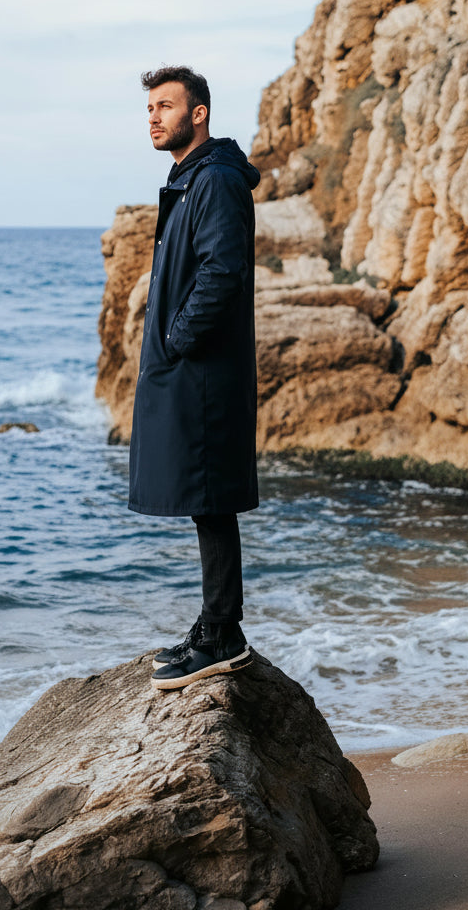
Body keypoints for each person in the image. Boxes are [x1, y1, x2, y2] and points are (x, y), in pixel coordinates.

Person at [128, 65, 260, 689]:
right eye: (149, 108)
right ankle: (214, 626)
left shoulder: (216, 181)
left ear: (198, 113)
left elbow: (222, 272)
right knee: (206, 504)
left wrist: (178, 337)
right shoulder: (192, 178)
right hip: (197, 367)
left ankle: (223, 635)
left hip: (206, 369)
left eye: (165, 106)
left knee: (212, 499)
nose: (153, 117)